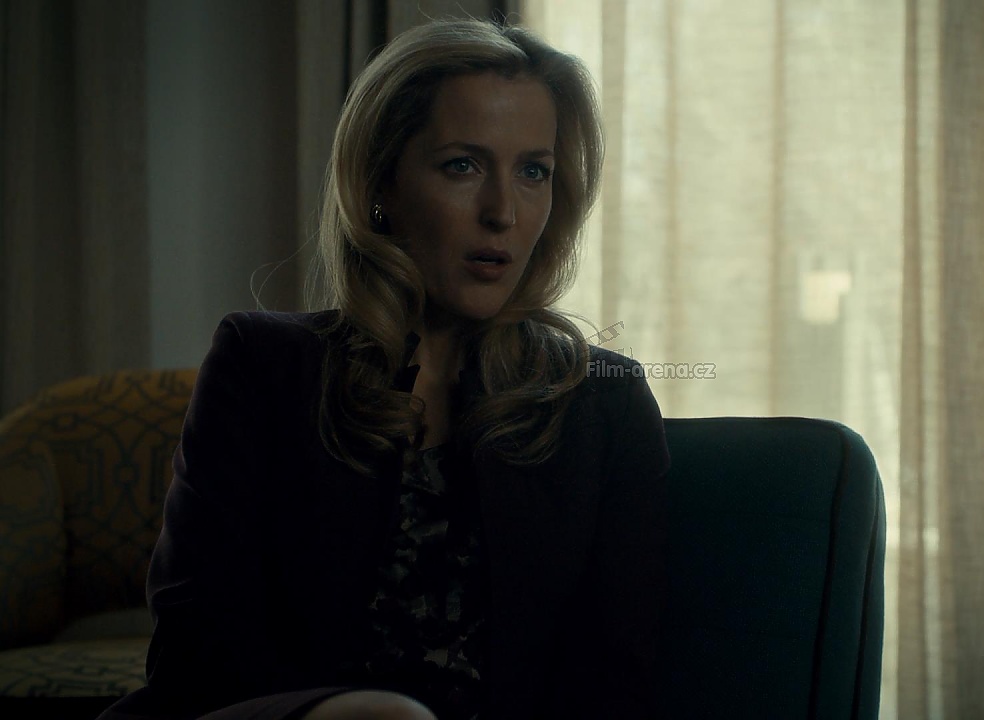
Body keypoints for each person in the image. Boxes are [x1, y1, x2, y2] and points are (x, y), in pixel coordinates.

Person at [99, 18, 668, 720]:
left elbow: (616, 678)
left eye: (533, 172)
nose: (503, 212)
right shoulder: (265, 366)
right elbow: (197, 654)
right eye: (462, 166)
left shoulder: (602, 401)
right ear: (381, 185)